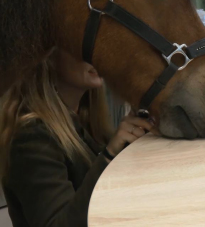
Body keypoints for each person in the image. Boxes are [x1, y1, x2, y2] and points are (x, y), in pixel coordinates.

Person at [0, 49, 154, 227]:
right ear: (47, 58)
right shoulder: (30, 135)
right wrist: (109, 155)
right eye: (81, 48)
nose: (96, 56)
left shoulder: (84, 119)